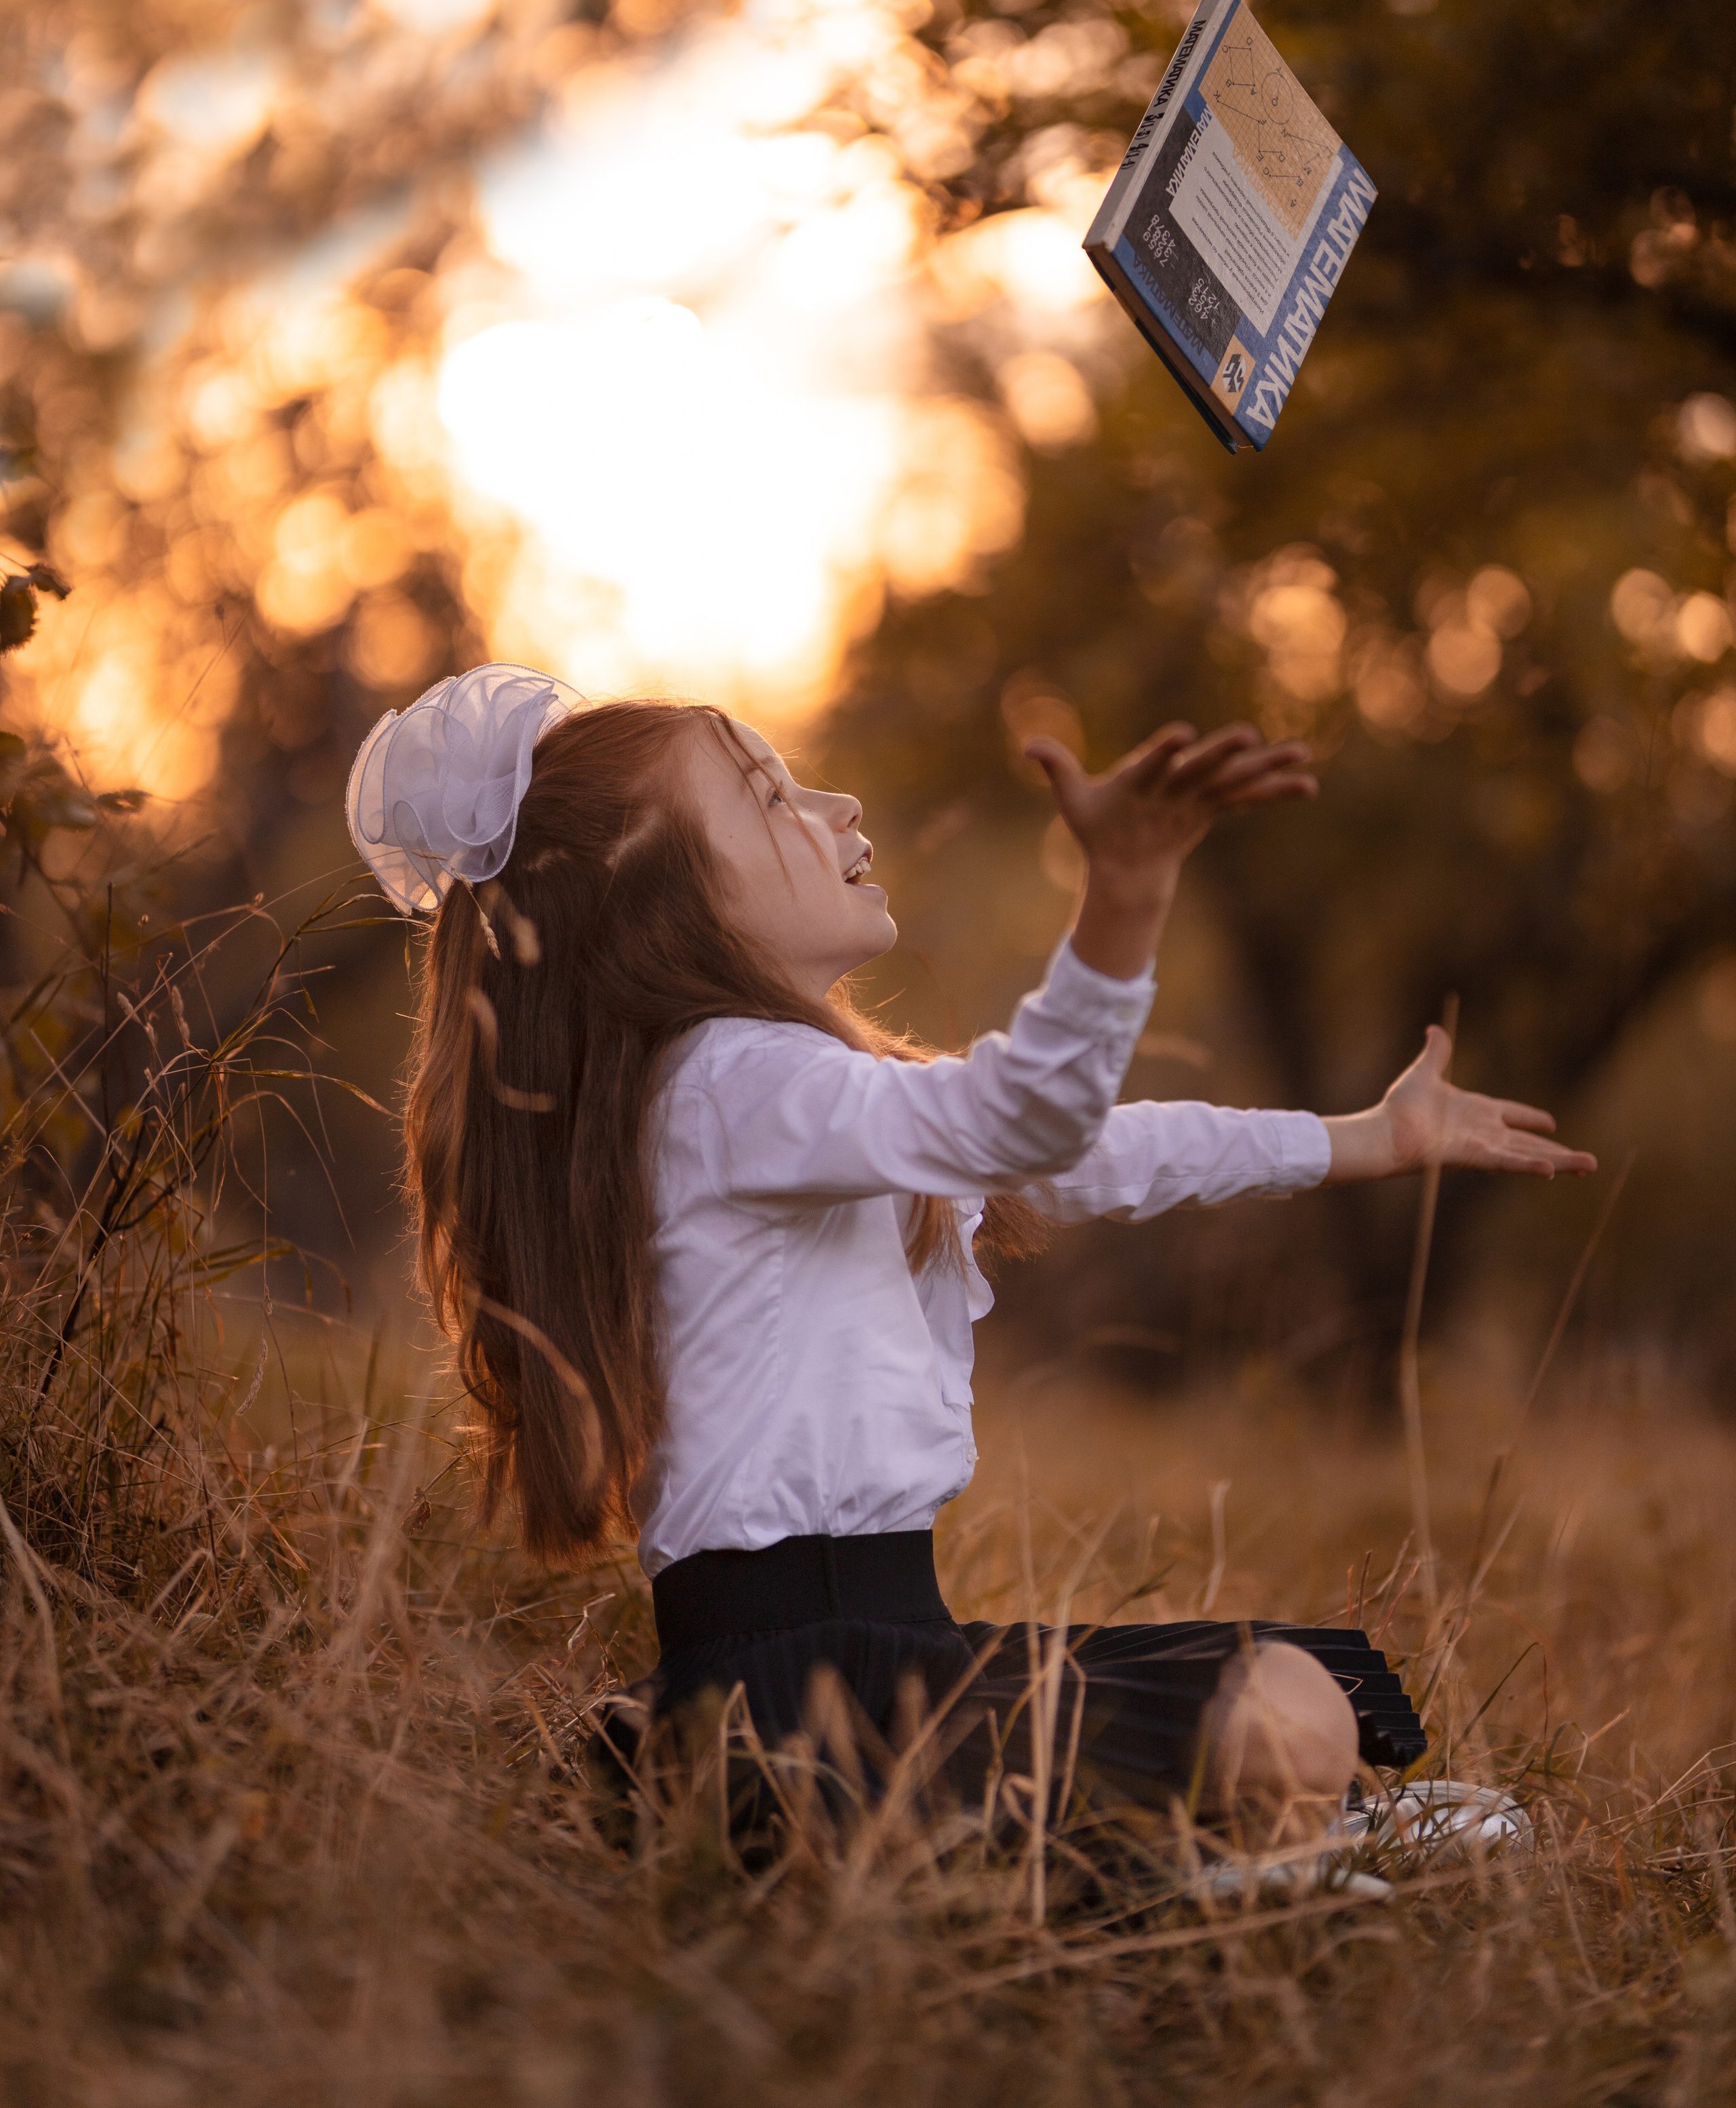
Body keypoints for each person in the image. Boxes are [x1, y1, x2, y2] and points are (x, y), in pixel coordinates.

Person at [347, 664, 1595, 1860]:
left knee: (1292, 1696)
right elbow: (1025, 1122)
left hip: (884, 1666)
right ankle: (1176, 1870)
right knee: (1289, 1720)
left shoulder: (772, 1092)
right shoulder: (730, 1079)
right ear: (649, 884)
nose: (837, 806)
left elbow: (1097, 1153)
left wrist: (1368, 1139)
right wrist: (1124, 897)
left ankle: (1193, 1854)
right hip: (800, 1706)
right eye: (772, 798)